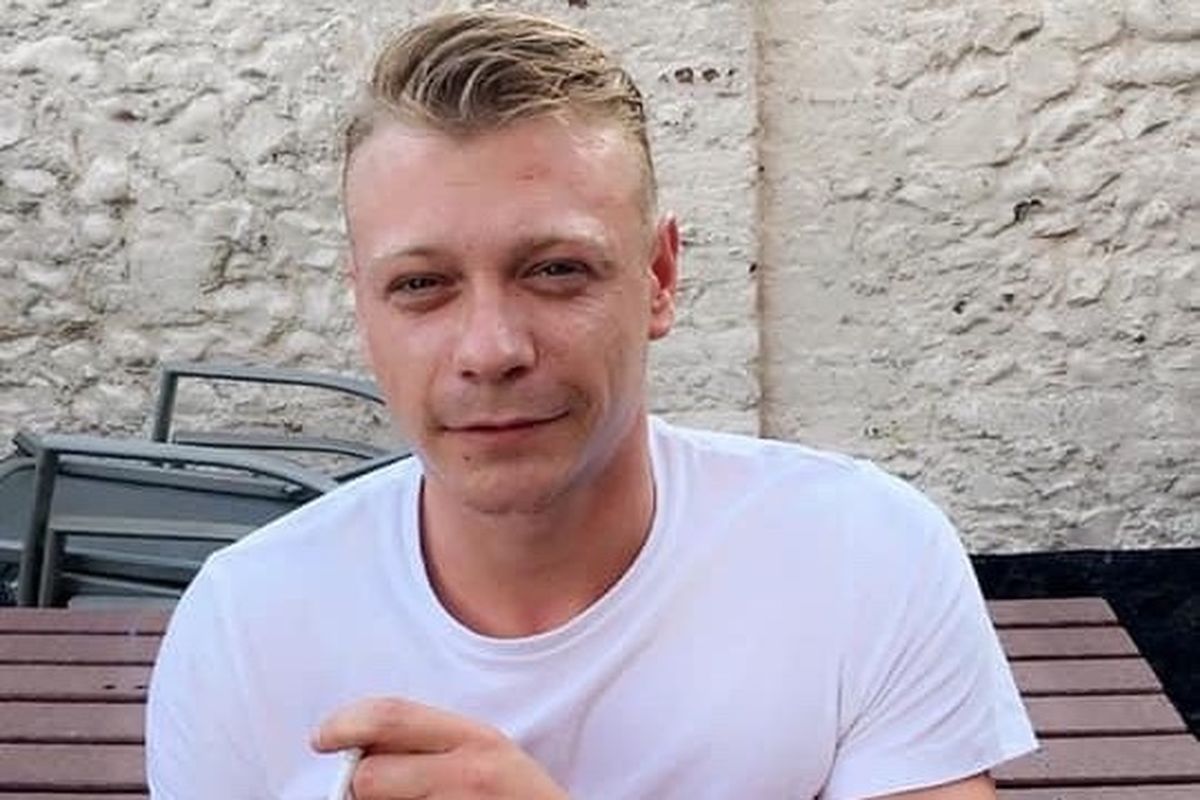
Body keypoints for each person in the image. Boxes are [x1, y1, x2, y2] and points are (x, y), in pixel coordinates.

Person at [146, 11, 1036, 799]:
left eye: (555, 270)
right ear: (363, 308)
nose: (491, 349)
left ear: (659, 277)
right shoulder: (246, 625)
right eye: (421, 284)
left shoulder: (862, 555)